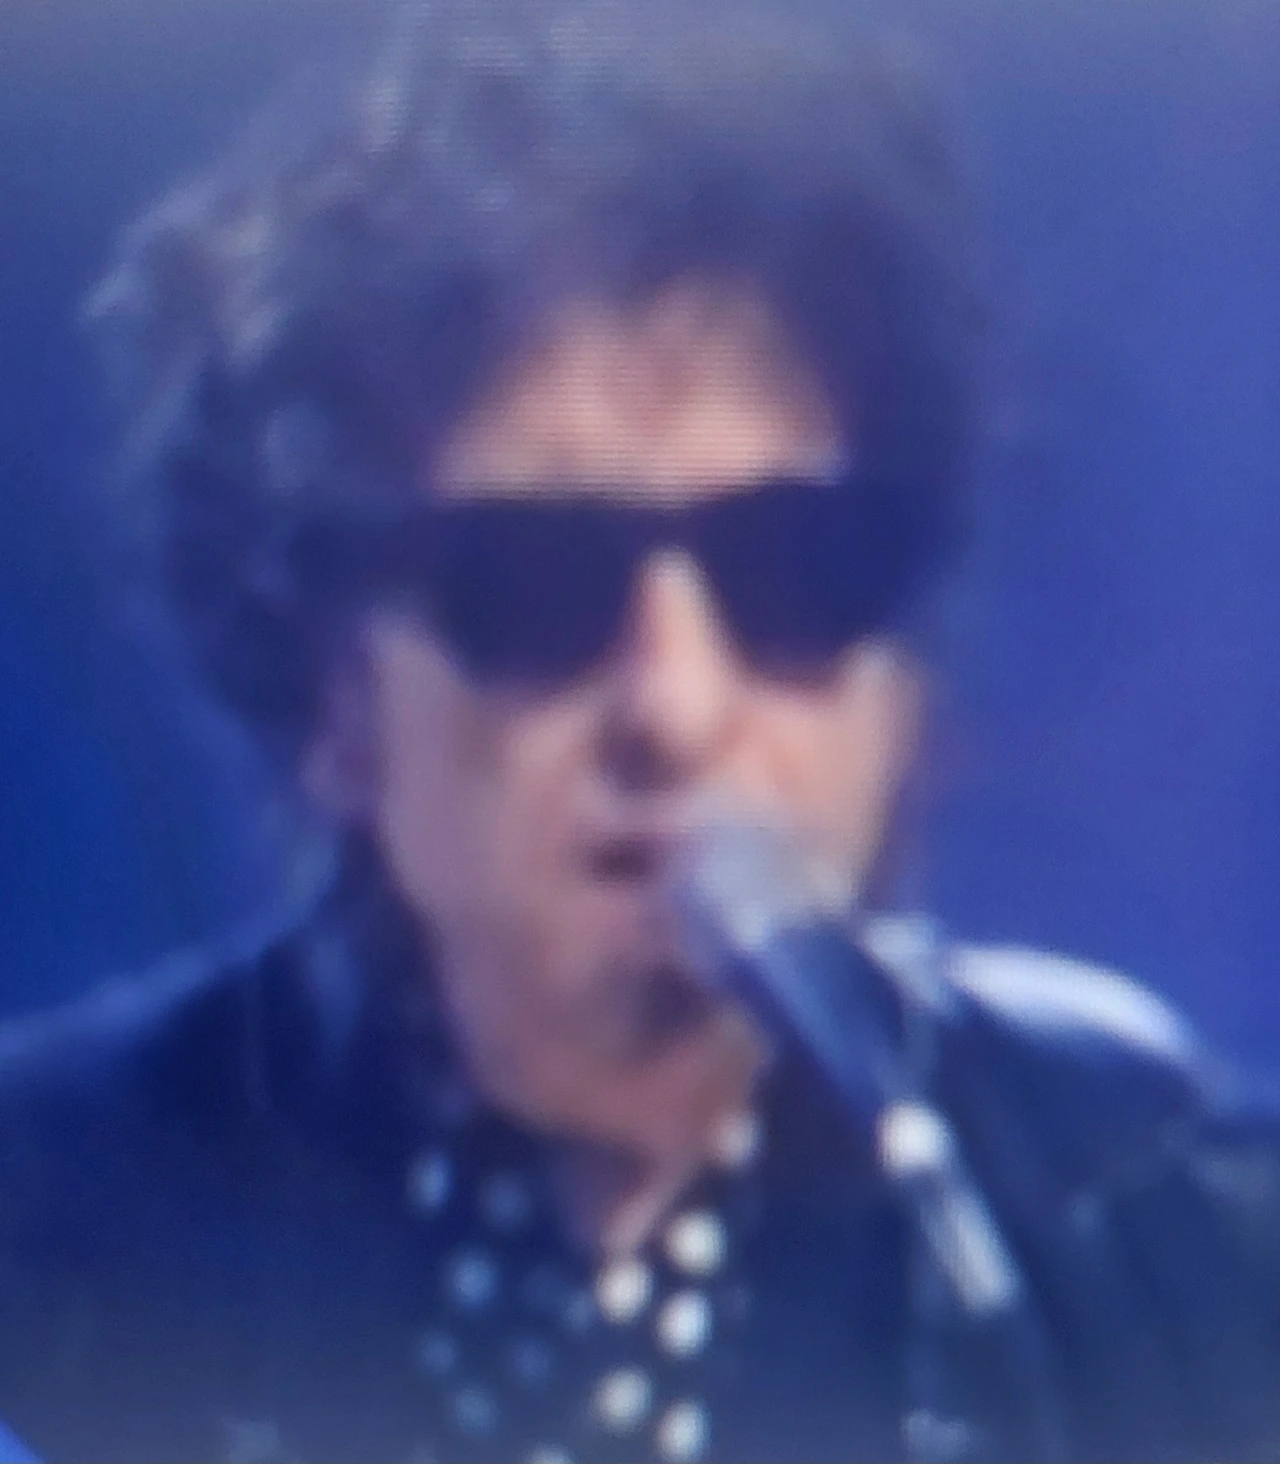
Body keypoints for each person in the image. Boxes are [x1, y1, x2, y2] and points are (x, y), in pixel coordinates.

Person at [1, 2, 1279, 1461]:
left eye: (793, 565)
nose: (678, 707)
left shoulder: (1145, 1212)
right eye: (535, 584)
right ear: (337, 701)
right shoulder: (54, 1212)